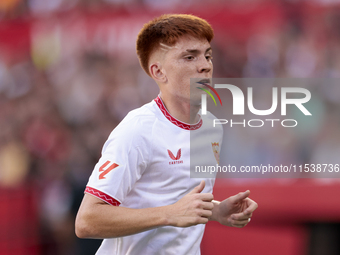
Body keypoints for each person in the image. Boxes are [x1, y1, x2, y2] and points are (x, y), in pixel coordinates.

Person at [75, 14, 258, 255]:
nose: (205, 65)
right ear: (159, 72)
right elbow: (87, 221)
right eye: (189, 57)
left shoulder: (212, 127)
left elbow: (182, 198)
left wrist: (217, 211)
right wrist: (169, 214)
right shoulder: (137, 130)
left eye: (207, 55)